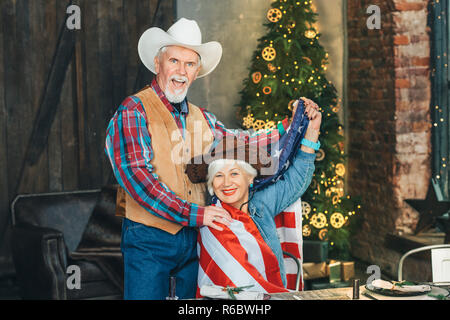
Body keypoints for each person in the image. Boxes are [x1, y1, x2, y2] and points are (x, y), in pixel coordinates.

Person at [105, 18, 295, 300]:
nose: (181, 71)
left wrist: (289, 126)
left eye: (190, 64)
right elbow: (139, 180)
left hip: (195, 239)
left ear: (196, 72)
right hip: (149, 240)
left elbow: (240, 144)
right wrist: (198, 214)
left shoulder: (203, 118)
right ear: (158, 64)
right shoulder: (134, 110)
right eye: (174, 61)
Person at [186, 100, 322, 295]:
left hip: (275, 294)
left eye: (234, 174)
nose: (226, 183)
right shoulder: (211, 220)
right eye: (218, 176)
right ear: (211, 183)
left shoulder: (260, 203)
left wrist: (312, 132)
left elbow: (296, 180)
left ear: (249, 178)